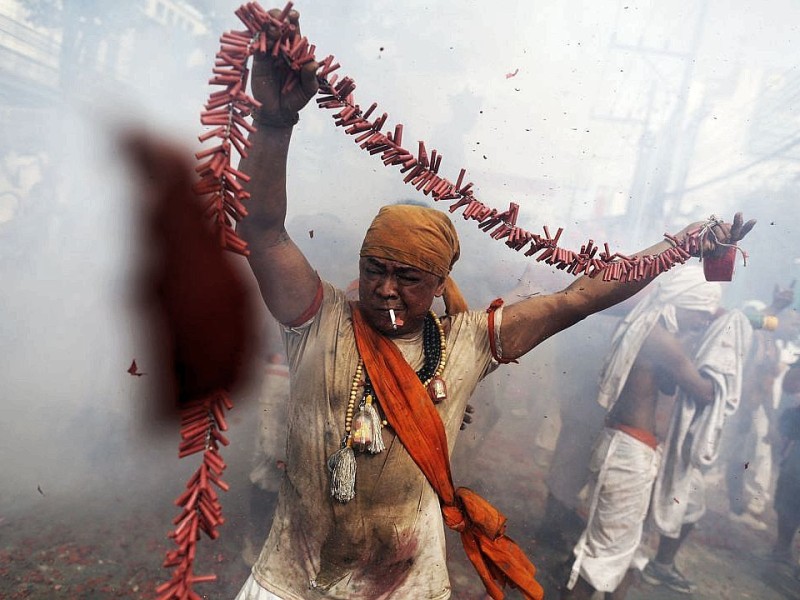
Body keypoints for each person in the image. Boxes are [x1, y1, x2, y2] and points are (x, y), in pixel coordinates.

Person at [233, 9, 755, 600]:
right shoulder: (318, 319)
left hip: (402, 582)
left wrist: (683, 245)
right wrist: (274, 123)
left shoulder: (467, 341)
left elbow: (578, 296)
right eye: (374, 269)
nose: (384, 289)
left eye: (407, 278)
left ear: (439, 284)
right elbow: (266, 232)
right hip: (290, 578)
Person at [563, 265, 750, 599]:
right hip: (629, 452)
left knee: (626, 554)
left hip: (628, 448)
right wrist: (728, 345)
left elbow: (664, 384)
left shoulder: (649, 327)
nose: (702, 322)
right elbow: (705, 392)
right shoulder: (664, 341)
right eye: (700, 314)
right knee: (603, 558)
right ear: (683, 302)